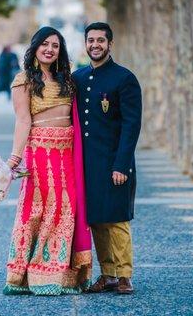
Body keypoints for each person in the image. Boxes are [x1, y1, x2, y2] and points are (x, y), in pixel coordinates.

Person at [4, 26, 92, 295]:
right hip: (40, 154)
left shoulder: (67, 79)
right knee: (40, 211)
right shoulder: (23, 81)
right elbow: (22, 121)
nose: (49, 49)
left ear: (60, 51)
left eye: (55, 45)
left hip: (68, 154)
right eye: (45, 44)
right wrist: (13, 160)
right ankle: (31, 275)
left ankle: (63, 274)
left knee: (67, 210)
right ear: (35, 47)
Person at [72, 22, 142, 295]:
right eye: (91, 40)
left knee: (117, 220)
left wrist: (122, 164)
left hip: (115, 163)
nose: (95, 45)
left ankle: (124, 274)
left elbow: (131, 125)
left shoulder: (124, 78)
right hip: (88, 165)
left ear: (110, 44)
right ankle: (108, 274)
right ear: (85, 44)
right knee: (97, 219)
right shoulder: (78, 78)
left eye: (101, 40)